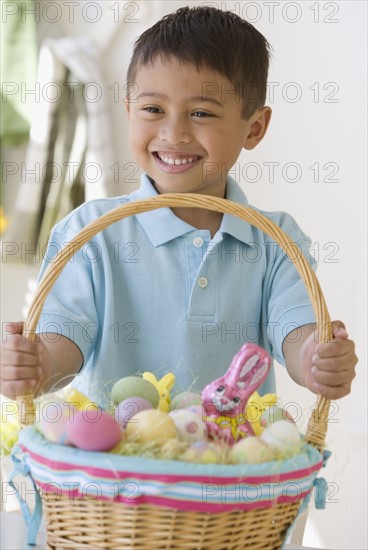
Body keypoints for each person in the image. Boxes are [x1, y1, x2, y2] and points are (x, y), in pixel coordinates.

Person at [1, 6, 357, 408]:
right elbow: (62, 343)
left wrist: (314, 357)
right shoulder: (90, 231)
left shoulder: (275, 241)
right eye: (153, 109)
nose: (174, 134)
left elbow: (296, 332)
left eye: (202, 113)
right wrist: (36, 365)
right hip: (113, 466)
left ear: (253, 128)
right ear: (130, 111)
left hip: (230, 465)